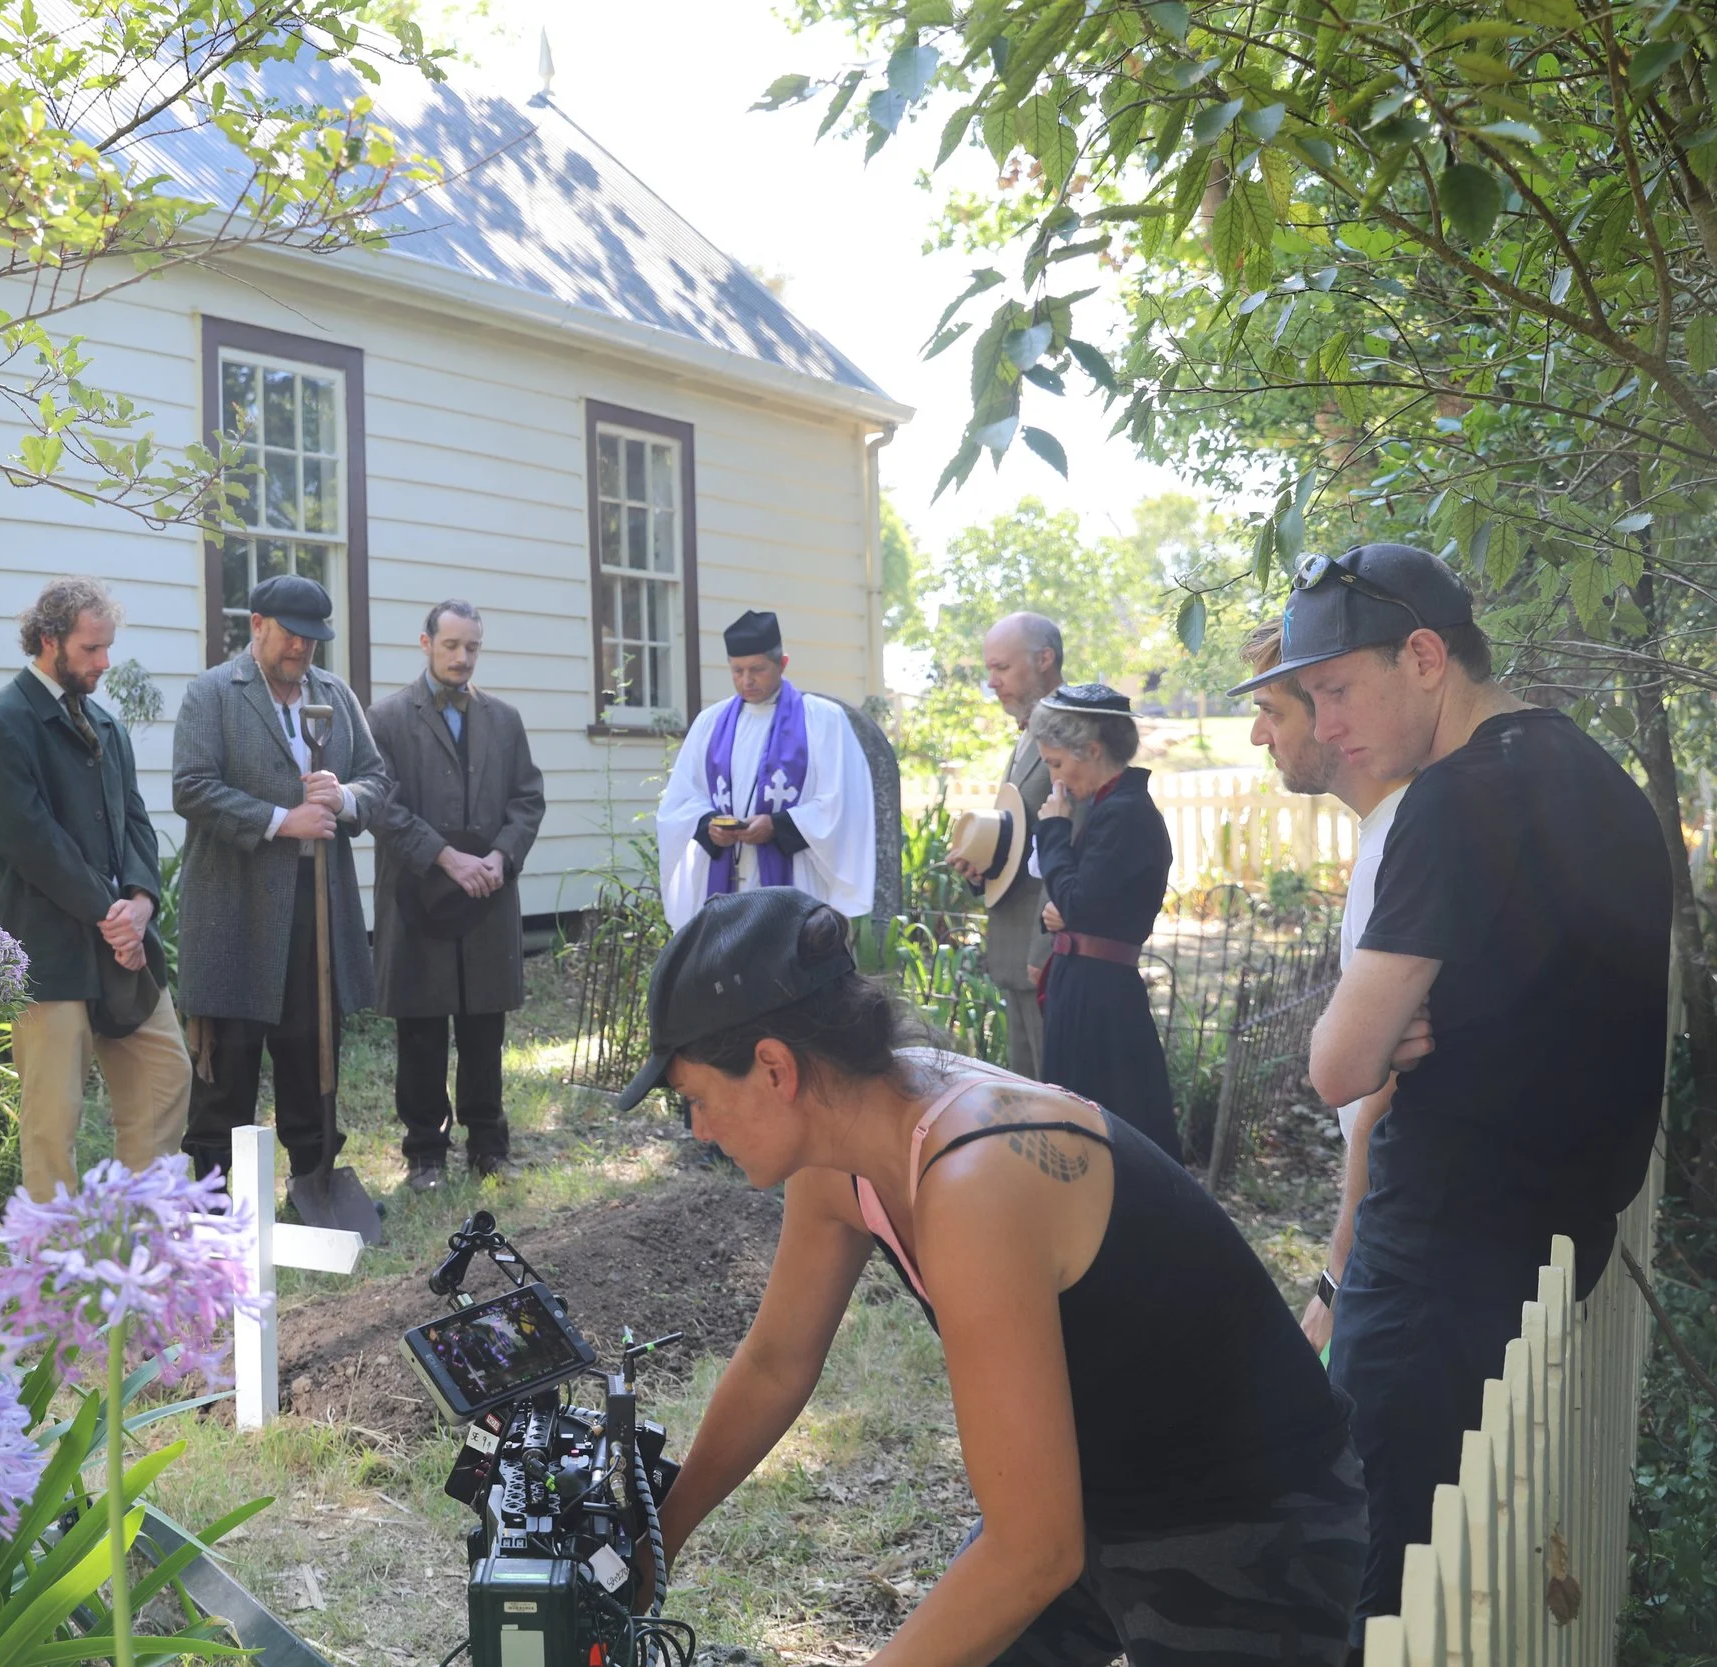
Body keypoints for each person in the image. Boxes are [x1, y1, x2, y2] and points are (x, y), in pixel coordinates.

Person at [621, 889, 1365, 1666]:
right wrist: (660, 1537)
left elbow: (1034, 1555)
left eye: (697, 1100)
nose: (699, 1130)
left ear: (774, 1067)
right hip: (1096, 1490)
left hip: (1250, 1515)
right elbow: (777, 1362)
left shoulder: (974, 1175)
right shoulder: (848, 1138)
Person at [1287, 544, 1669, 1636]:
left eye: (1336, 690)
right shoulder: (1597, 777)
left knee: (1384, 1593)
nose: (1325, 727)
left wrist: (1369, 1028)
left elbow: (1334, 1067)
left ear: (1422, 655)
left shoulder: (1448, 805)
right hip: (1548, 1240)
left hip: (1434, 1266)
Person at [0, 576, 191, 1199]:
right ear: (49, 641)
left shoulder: (108, 728)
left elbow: (137, 824)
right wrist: (111, 916)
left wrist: (141, 904)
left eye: (107, 647)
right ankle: (51, 1274)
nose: (104, 662)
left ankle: (139, 1243)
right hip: (47, 956)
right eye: (92, 649)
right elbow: (32, 842)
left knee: (165, 1076)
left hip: (125, 950)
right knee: (52, 1124)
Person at [170, 574, 392, 1188]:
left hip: (315, 905)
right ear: (257, 626)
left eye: (312, 641)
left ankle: (315, 1179)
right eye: (290, 636)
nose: (300, 650)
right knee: (229, 1059)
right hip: (233, 906)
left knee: (311, 1046)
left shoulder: (334, 695)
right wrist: (280, 821)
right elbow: (191, 787)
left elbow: (377, 779)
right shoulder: (213, 693)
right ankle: (216, 1201)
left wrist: (344, 796)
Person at [1229, 622, 1413, 1353]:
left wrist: (1337, 1276)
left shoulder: (1397, 849)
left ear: (1331, 716)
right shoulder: (1393, 830)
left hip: (1393, 1230)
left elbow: (1380, 1094)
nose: (1257, 735)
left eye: (1272, 710)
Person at [366, 600, 546, 1191]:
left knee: (483, 1029)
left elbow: (527, 799)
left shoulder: (504, 720)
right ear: (425, 644)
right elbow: (380, 806)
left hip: (487, 896)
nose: (461, 657)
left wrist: (498, 856)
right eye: (450, 645)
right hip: (418, 897)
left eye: (472, 647)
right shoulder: (387, 719)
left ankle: (489, 1147)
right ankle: (425, 1154)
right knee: (421, 1029)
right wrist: (445, 856)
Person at [1026, 684, 1179, 1162]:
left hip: (1101, 998)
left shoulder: (1126, 813)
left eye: (1056, 764)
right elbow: (1081, 903)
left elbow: (1077, 901)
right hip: (1086, 987)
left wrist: (1052, 829)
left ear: (1091, 750)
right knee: (1079, 1117)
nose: (1055, 780)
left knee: (1108, 1123)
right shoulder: (1108, 808)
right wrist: (1063, 918)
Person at [655, 610, 875, 933]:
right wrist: (709, 826)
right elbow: (681, 800)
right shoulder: (709, 724)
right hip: (727, 874)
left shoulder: (822, 721)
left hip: (796, 876)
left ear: (782, 663)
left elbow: (842, 804)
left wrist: (778, 826)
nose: (746, 680)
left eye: (757, 669)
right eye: (737, 670)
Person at [957, 613, 1063, 1078]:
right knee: (1030, 1088)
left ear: (1044, 660)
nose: (991, 681)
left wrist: (1044, 951)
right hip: (1015, 950)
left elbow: (1068, 847)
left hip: (1044, 956)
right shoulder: (1029, 733)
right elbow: (1025, 838)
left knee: (1057, 1092)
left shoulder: (1071, 735)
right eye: (989, 669)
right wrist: (983, 864)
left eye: (1001, 668)